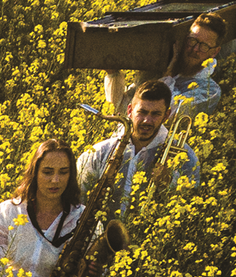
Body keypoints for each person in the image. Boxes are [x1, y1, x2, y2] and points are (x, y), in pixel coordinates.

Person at [76, 80, 198, 218]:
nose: (147, 120)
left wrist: (169, 184)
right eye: (142, 112)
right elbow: (78, 202)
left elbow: (191, 208)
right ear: (129, 111)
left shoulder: (185, 156)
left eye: (156, 114)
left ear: (166, 115)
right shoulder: (98, 153)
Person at [0, 139, 85, 277]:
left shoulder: (81, 218)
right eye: (47, 172)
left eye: (63, 172)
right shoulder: (9, 211)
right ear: (35, 172)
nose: (55, 180)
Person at [101, 12, 226, 121]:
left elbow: (169, 117)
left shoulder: (209, 91)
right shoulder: (154, 73)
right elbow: (122, 109)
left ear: (214, 51)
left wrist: (167, 78)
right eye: (192, 40)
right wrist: (113, 74)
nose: (195, 49)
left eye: (204, 46)